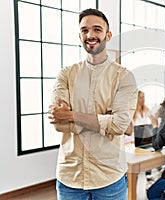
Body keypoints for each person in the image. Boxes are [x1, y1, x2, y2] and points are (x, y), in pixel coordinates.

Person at [48, 8, 137, 200]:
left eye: (97, 29)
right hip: (70, 178)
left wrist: (72, 115)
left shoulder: (124, 77)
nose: (90, 35)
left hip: (109, 178)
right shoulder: (66, 74)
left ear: (108, 34)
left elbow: (120, 124)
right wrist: (104, 120)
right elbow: (58, 124)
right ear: (80, 36)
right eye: (84, 30)